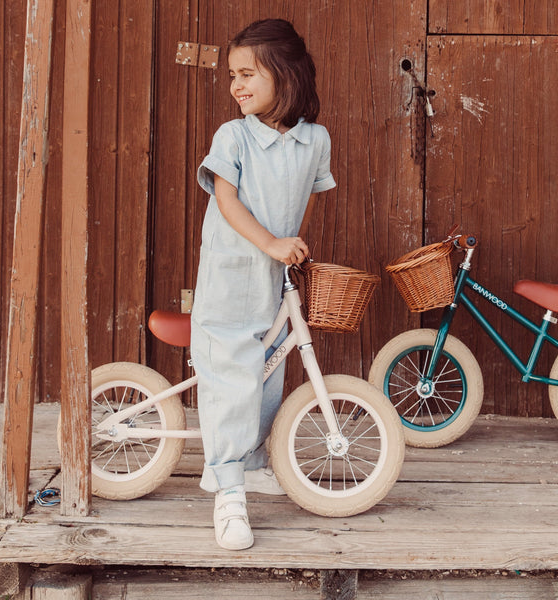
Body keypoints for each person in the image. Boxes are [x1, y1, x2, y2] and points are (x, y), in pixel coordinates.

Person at [191, 18, 336, 550]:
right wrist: (272, 242)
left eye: (248, 73)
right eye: (232, 75)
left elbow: (307, 198)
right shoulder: (233, 136)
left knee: (269, 371)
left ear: (286, 74)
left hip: (274, 277)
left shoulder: (314, 140)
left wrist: (291, 244)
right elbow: (227, 201)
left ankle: (251, 465)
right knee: (232, 375)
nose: (237, 85)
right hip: (231, 272)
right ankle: (227, 491)